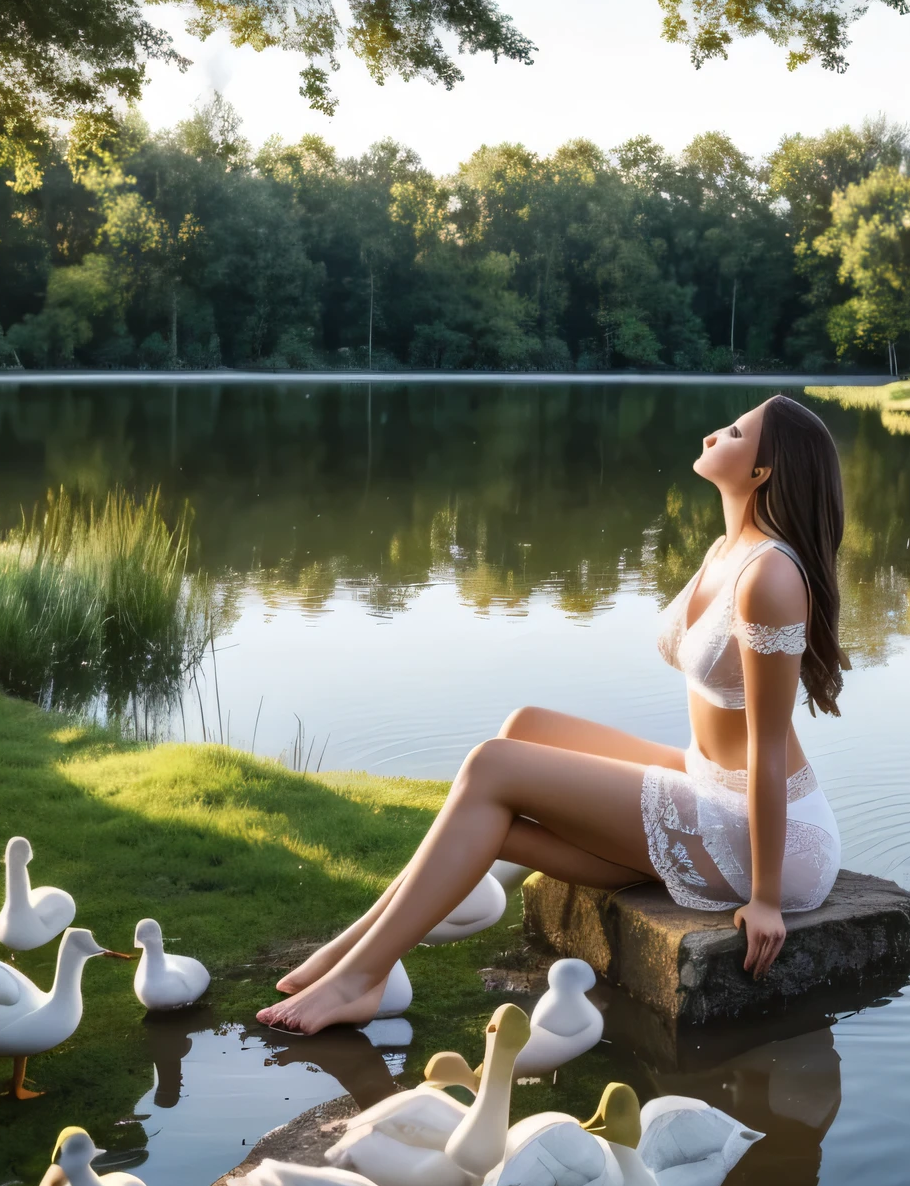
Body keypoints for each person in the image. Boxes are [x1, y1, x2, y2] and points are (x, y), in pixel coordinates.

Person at [258, 394, 848, 1034]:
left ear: (761, 471)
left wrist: (763, 901)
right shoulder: (725, 550)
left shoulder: (773, 578)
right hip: (708, 782)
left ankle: (360, 978)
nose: (711, 436)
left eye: (734, 432)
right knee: (525, 728)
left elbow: (765, 746)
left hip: (774, 841)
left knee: (493, 766)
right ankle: (355, 948)